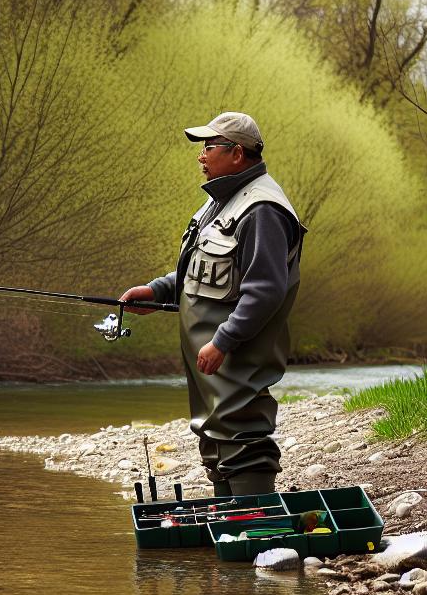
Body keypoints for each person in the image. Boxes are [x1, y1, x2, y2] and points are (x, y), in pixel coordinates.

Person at [120, 111, 305, 497]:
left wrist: (223, 340)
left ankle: (256, 534)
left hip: (236, 356)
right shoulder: (220, 203)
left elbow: (264, 290)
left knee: (243, 439)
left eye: (209, 147)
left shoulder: (262, 210)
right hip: (213, 363)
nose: (201, 156)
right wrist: (156, 292)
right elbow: (201, 275)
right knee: (216, 438)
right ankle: (231, 532)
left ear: (237, 153)